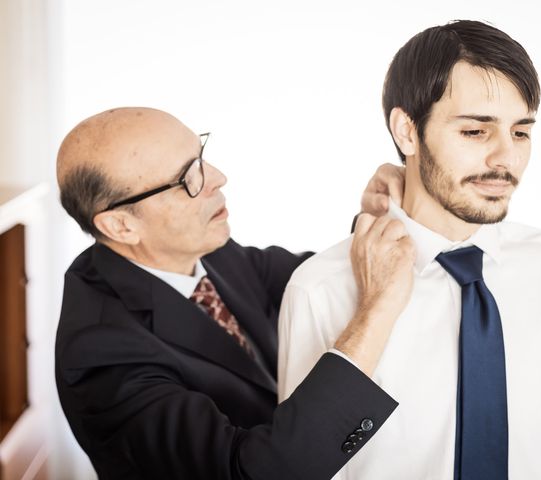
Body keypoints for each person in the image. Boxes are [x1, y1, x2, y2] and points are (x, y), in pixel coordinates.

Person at [278, 20, 541, 479]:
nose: (506, 158)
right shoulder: (322, 290)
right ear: (407, 131)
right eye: (475, 132)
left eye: (521, 132)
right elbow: (305, 468)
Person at [54, 106, 415, 479]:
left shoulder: (209, 249)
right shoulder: (99, 353)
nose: (218, 178)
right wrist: (377, 312)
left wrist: (375, 218)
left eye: (201, 157)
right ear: (121, 225)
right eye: (187, 178)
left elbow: (312, 278)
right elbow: (252, 472)